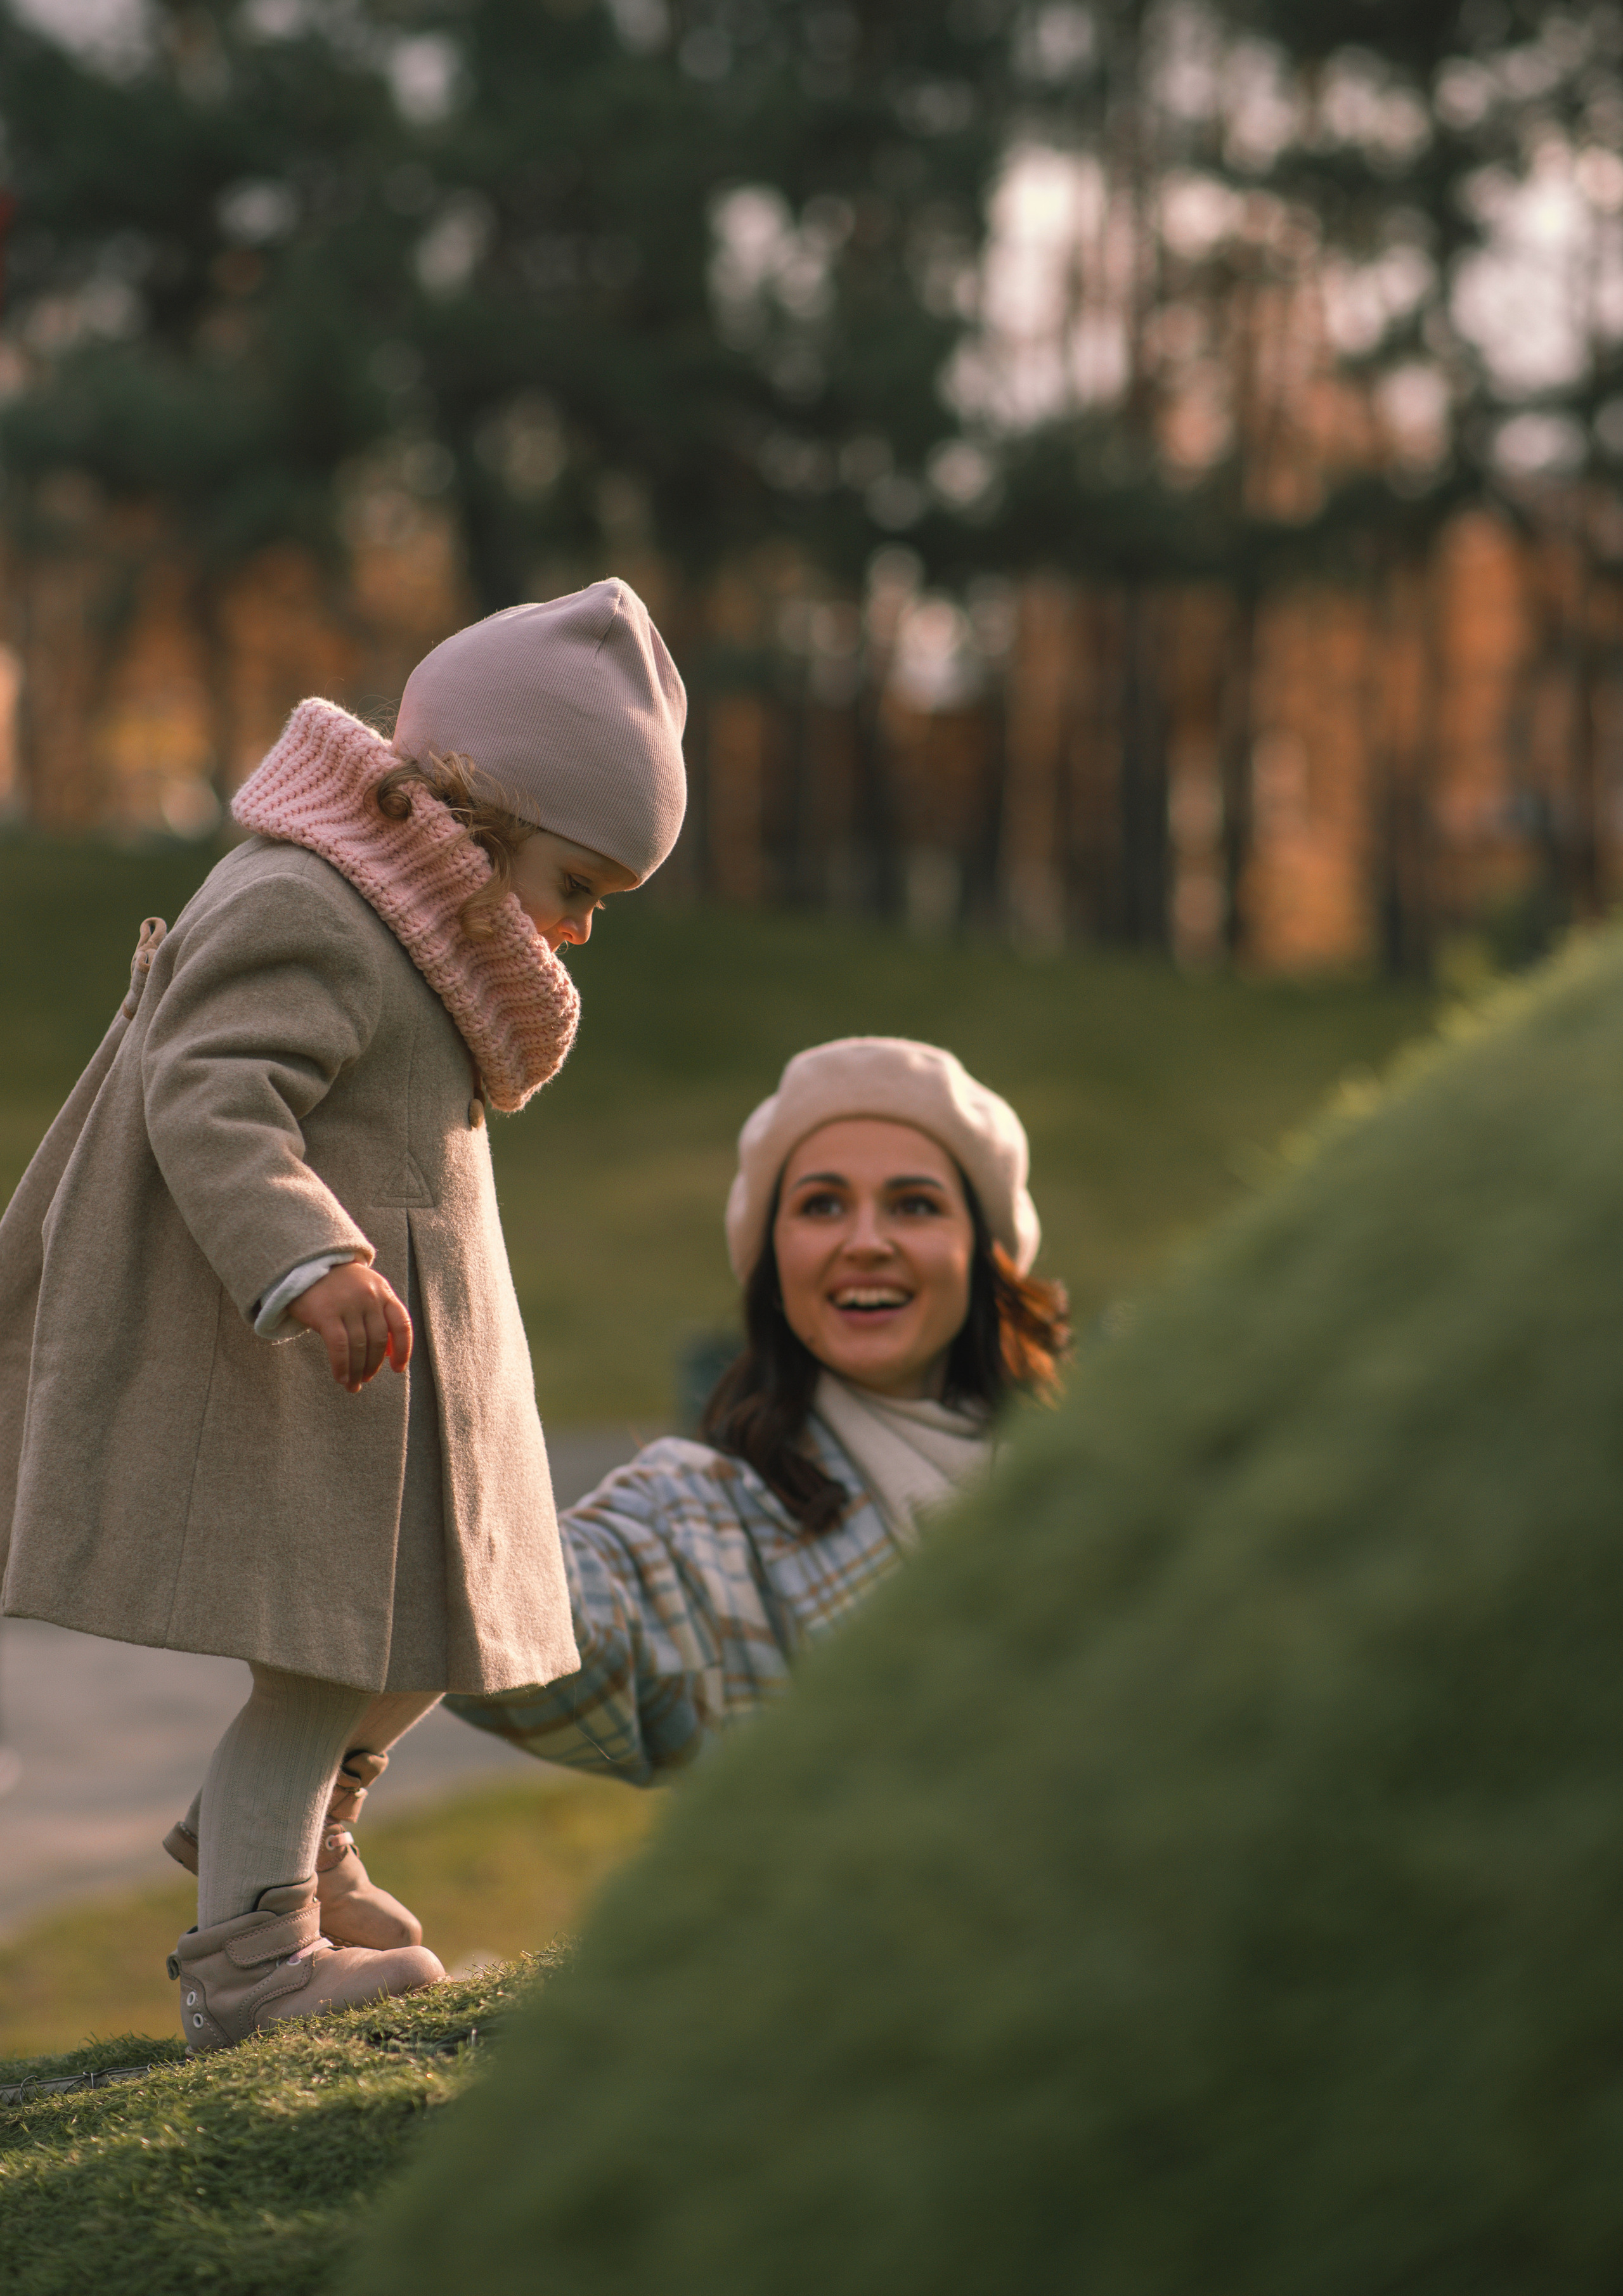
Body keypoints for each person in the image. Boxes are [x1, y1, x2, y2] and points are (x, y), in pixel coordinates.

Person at [0, 579, 686, 2051]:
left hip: (403, 1384)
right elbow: (212, 1083)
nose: (578, 928)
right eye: (577, 883)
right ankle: (252, 1965)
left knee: (426, 1644)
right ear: (483, 810)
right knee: (322, 1662)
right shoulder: (308, 898)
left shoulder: (415, 921)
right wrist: (307, 1257)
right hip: (331, 1367)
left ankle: (293, 1845)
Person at [446, 1037, 1070, 1782]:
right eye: (822, 1205)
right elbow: (507, 1610)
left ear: (983, 1249)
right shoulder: (697, 1518)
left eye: (914, 1205)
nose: (865, 1242)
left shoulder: (1112, 1473)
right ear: (773, 1261)